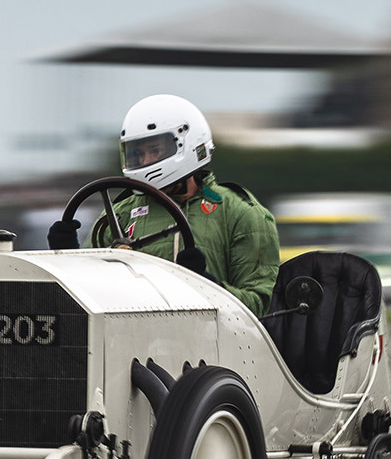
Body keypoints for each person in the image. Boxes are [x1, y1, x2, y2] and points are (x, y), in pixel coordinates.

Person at [90, 92, 280, 314]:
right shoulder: (118, 214)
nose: (145, 162)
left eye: (155, 150)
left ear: (186, 143)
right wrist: (68, 254)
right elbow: (86, 293)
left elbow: (259, 306)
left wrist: (208, 285)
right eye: (138, 154)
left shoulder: (240, 213)